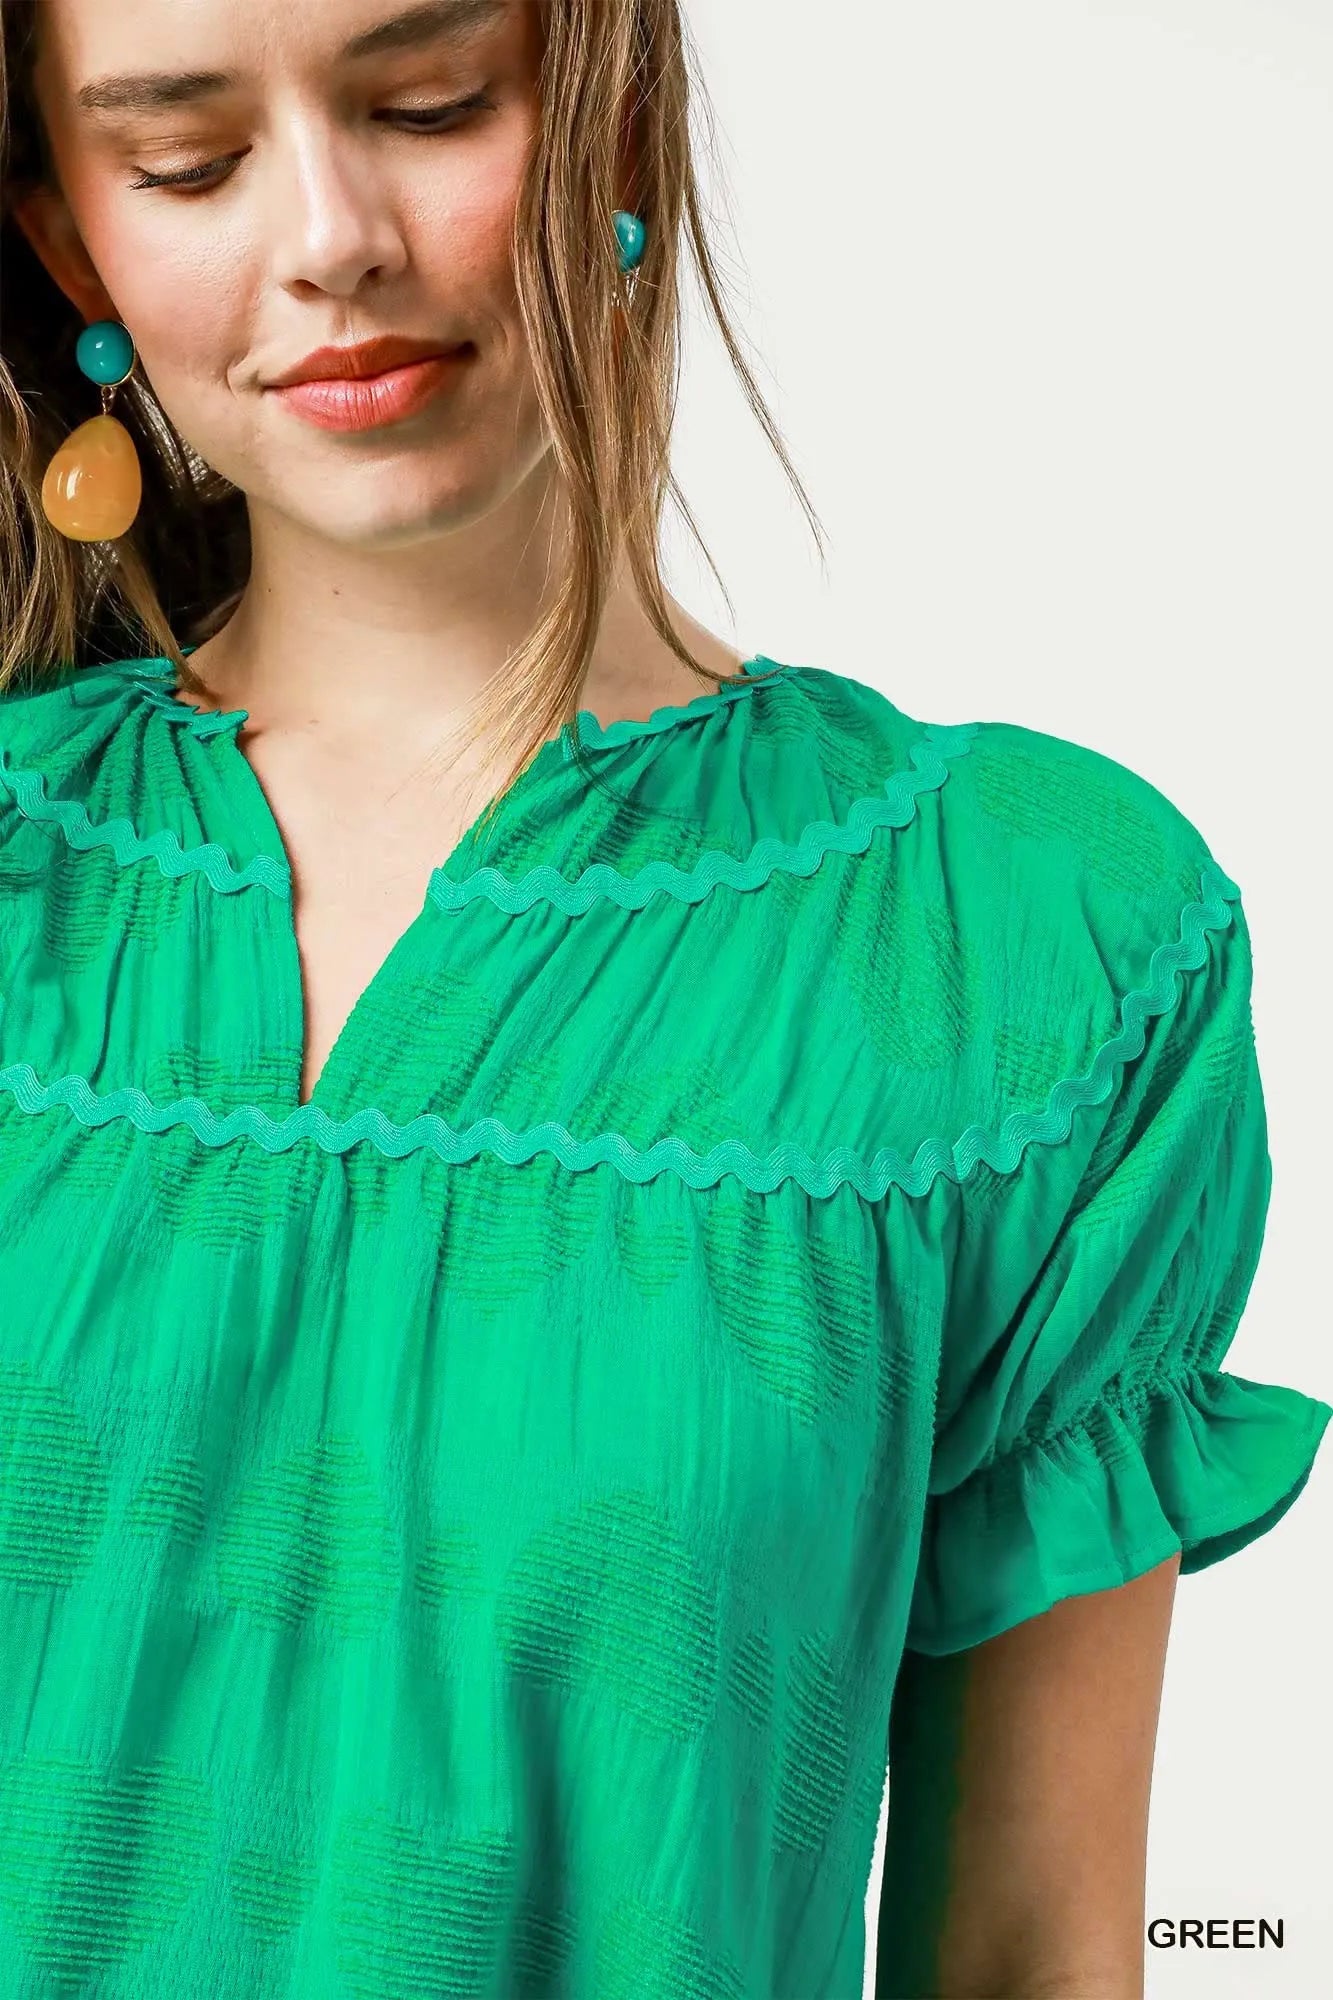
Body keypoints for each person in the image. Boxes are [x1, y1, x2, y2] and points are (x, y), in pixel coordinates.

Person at [0, 3, 1326, 1997]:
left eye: (427, 104)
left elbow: (1031, 1946)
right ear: (71, 242)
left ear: (611, 117)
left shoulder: (1018, 947)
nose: (332, 237)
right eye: (186, 160)